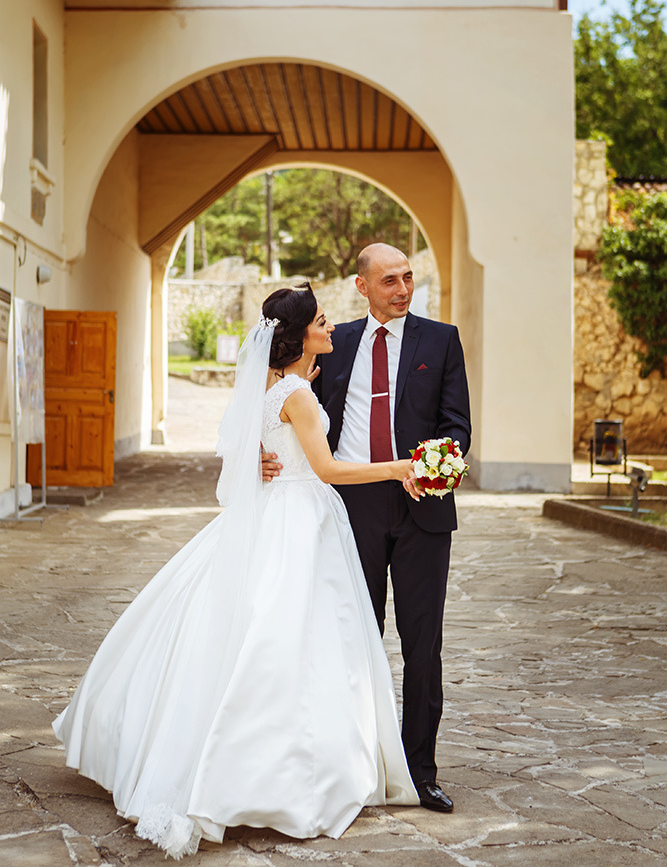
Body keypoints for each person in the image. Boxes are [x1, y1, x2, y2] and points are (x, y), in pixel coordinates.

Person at [52, 283, 420, 860]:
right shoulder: (296, 392)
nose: (331, 328)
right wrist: (398, 468)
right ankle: (281, 778)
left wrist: (261, 453)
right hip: (302, 514)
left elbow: (247, 439)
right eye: (323, 322)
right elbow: (323, 469)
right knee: (291, 636)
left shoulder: (275, 386)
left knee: (258, 628)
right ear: (300, 337)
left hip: (278, 511)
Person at [264, 245, 471, 814]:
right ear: (362, 286)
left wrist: (431, 469)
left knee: (423, 646)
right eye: (389, 280)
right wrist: (257, 455)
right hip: (347, 508)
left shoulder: (441, 340)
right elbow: (272, 393)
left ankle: (420, 771)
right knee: (352, 638)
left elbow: (457, 426)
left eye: (407, 278)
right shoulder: (334, 341)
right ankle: (356, 766)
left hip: (421, 509)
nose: (402, 289)